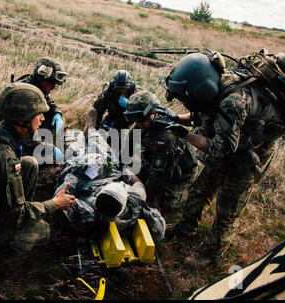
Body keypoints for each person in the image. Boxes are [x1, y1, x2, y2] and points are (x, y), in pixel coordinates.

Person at [159, 51, 285, 266]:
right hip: (231, 139)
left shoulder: (234, 102)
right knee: (201, 188)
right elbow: (201, 114)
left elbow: (221, 148)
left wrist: (185, 134)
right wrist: (175, 119)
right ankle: (186, 227)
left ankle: (211, 254)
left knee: (228, 208)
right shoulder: (218, 89)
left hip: (250, 155)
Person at [0, 83, 75, 254]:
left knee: (29, 163)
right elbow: (16, 215)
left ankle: (22, 209)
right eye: (38, 114)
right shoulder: (3, 156)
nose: (42, 118)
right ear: (22, 119)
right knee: (40, 230)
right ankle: (1, 255)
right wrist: (54, 204)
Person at [56, 131, 166, 244]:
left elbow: (60, 199)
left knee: (73, 145)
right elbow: (139, 184)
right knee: (96, 139)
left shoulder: (87, 211)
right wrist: (124, 170)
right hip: (108, 168)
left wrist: (74, 174)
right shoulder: (135, 203)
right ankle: (90, 129)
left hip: (83, 172)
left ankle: (68, 132)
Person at [123, 90, 198, 219]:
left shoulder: (167, 136)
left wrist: (142, 199)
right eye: (134, 120)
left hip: (177, 176)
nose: (138, 124)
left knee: (158, 205)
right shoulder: (140, 124)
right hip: (155, 163)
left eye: (141, 120)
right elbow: (125, 153)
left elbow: (157, 178)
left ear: (154, 115)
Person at [0, 57, 68, 161]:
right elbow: (23, 131)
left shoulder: (37, 88)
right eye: (51, 83)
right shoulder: (25, 95)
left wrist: (57, 113)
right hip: (10, 139)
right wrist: (48, 148)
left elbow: (48, 101)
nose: (54, 87)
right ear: (40, 78)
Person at [84, 70, 143, 134]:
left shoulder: (137, 92)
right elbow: (98, 110)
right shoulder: (109, 90)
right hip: (112, 116)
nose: (121, 92)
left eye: (124, 89)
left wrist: (130, 105)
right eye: (119, 89)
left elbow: (145, 110)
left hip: (128, 121)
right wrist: (95, 130)